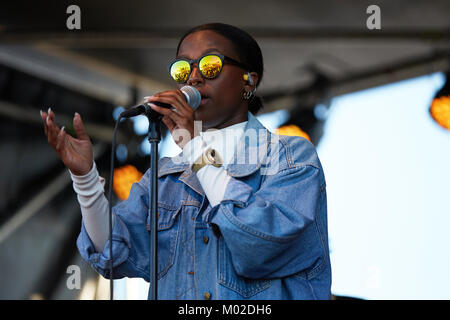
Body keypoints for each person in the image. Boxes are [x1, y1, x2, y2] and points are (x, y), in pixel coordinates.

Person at [41, 22, 331, 300]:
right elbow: (112, 252)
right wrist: (85, 178)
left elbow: (262, 243)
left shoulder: (289, 155)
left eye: (210, 65)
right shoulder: (165, 176)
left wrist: (193, 144)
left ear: (249, 80)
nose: (194, 77)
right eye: (183, 69)